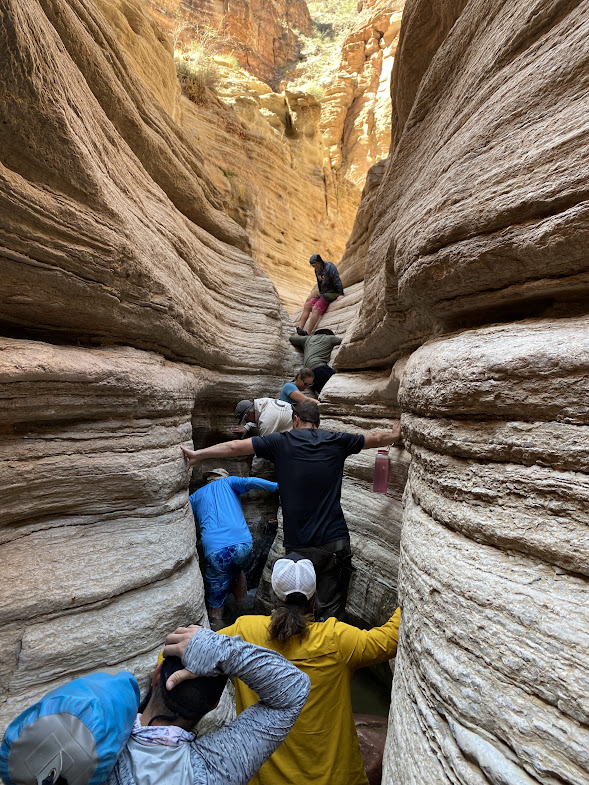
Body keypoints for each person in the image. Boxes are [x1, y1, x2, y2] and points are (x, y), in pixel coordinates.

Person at [181, 401, 402, 621]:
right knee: (332, 614)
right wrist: (394, 434)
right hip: (335, 541)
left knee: (297, 614)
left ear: (295, 419)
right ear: (319, 422)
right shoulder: (338, 440)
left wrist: (198, 454)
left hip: (299, 545)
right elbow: (374, 439)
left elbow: (233, 447)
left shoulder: (281, 441)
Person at [219, 556, 401, 785]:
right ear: (315, 598)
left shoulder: (244, 633)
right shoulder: (336, 639)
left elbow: (188, 651)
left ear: (273, 597)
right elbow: (389, 639)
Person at [189, 469, 278, 628]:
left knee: (216, 599)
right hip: (243, 546)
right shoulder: (229, 482)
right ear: (224, 477)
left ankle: (217, 625)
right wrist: (276, 486)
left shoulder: (196, 496)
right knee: (237, 570)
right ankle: (244, 609)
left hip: (216, 552)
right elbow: (250, 482)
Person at [232, 398, 293, 475]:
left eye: (246, 419)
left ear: (248, 414)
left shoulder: (267, 420)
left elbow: (262, 448)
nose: (246, 421)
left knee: (273, 452)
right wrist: (247, 427)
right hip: (290, 427)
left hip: (295, 440)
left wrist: (253, 471)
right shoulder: (261, 403)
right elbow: (258, 416)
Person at [297, 254, 344, 336]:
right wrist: (320, 295)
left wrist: (340, 294)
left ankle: (308, 332)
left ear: (320, 262)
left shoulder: (330, 267)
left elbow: (337, 280)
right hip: (323, 293)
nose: (314, 267)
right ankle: (300, 329)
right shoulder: (317, 270)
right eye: (313, 266)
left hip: (333, 292)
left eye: (315, 265)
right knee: (307, 305)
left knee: (315, 308)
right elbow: (319, 283)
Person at [289, 328, 343, 394]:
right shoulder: (329, 338)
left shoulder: (308, 339)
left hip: (309, 374)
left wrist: (304, 336)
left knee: (325, 394)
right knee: (341, 384)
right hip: (321, 369)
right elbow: (345, 341)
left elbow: (292, 338)